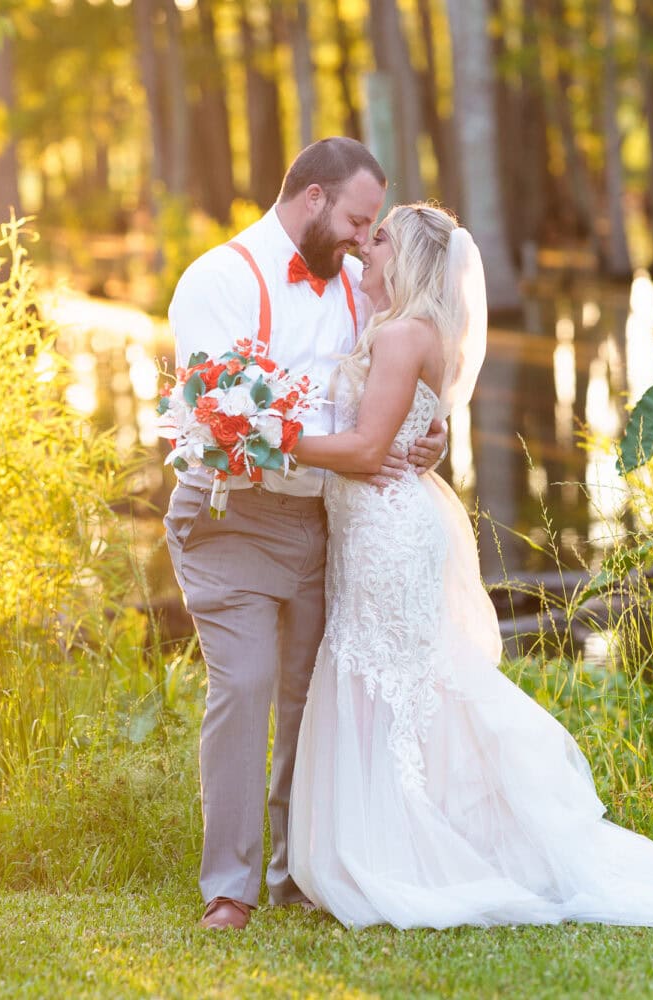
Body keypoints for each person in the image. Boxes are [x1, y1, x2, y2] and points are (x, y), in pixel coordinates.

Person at [286, 203, 653, 932]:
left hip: (388, 530)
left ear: (412, 259)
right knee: (401, 686)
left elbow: (368, 450)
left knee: (397, 686)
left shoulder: (401, 335)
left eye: (382, 237)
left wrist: (272, 434)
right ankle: (418, 841)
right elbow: (406, 426)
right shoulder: (408, 330)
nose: (368, 246)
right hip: (378, 526)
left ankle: (411, 853)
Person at [163, 139, 447, 931]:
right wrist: (338, 450)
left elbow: (405, 372)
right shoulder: (220, 281)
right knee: (247, 683)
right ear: (313, 199)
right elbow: (211, 422)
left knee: (307, 699)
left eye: (373, 229)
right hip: (231, 517)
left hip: (327, 522)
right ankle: (230, 888)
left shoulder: (362, 288)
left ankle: (297, 873)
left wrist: (436, 432)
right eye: (359, 221)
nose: (365, 241)